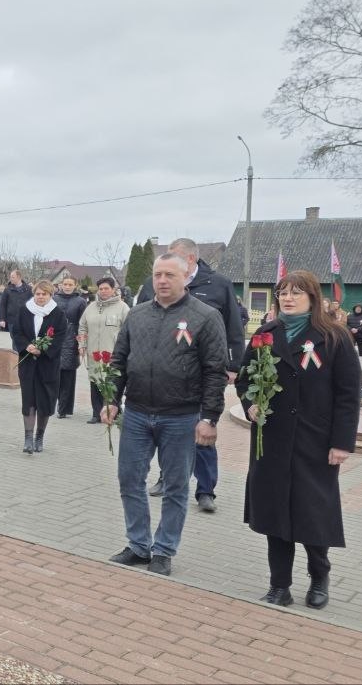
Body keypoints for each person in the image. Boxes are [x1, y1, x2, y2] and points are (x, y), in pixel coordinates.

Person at [237, 270, 359, 609]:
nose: (287, 299)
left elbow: (348, 394)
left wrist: (342, 442)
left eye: (296, 293)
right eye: (283, 293)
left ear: (312, 298)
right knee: (275, 513)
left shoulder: (333, 337)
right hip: (272, 441)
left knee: (312, 514)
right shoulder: (265, 333)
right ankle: (279, 585)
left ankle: (319, 576)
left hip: (315, 442)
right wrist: (250, 405)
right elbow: (244, 379)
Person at [103, 253, 228, 577]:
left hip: (182, 416)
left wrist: (209, 417)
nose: (161, 280)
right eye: (158, 274)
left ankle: (164, 549)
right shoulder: (137, 315)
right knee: (129, 479)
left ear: (186, 277)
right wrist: (112, 399)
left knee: (175, 486)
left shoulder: (206, 317)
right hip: (137, 414)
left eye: (169, 275)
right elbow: (119, 361)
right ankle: (138, 544)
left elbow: (215, 371)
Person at [138, 238, 242, 513]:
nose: (165, 273)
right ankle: (166, 477)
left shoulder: (218, 284)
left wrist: (233, 366)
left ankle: (206, 489)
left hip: (204, 375)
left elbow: (233, 328)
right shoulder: (155, 285)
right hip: (165, 376)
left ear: (191, 261)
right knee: (165, 431)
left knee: (202, 429)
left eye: (175, 258)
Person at [11, 281, 67, 453]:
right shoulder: (24, 310)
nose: (41, 297)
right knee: (29, 400)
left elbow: (60, 337)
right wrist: (26, 346)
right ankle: (28, 438)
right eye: (38, 294)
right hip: (28, 364)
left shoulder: (57, 314)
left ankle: (39, 437)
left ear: (50, 295)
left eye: (44, 294)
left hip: (47, 365)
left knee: (44, 401)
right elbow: (17, 331)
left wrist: (42, 350)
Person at [79, 277, 131, 424]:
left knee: (112, 382)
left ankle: (113, 411)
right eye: (101, 289)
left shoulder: (123, 308)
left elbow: (128, 331)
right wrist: (82, 345)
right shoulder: (91, 307)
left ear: (113, 289)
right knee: (95, 381)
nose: (103, 291)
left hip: (113, 354)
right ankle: (96, 413)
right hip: (94, 354)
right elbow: (82, 327)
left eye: (106, 288)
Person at [53, 276, 88, 418]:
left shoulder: (80, 301)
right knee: (55, 376)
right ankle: (54, 405)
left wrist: (81, 343)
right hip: (56, 338)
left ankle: (64, 408)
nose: (67, 287)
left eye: (70, 284)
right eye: (65, 284)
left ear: (75, 285)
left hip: (72, 339)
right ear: (61, 285)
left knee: (68, 376)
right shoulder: (54, 299)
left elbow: (83, 324)